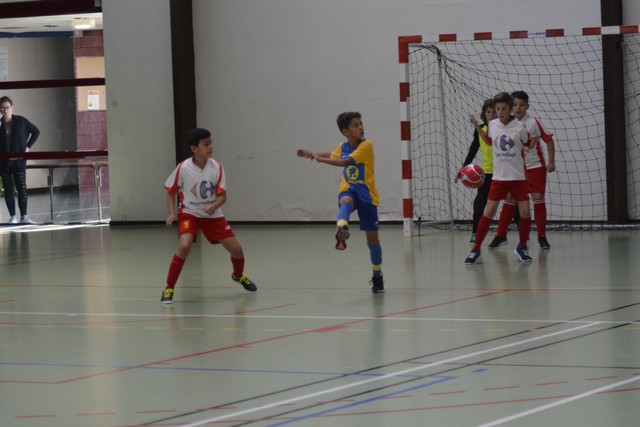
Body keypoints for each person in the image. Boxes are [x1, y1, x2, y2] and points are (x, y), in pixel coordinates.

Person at [160, 128, 257, 304]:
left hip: (213, 216)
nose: (210, 147)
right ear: (194, 149)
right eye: (206, 144)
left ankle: (238, 275)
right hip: (190, 213)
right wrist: (172, 213)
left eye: (211, 143)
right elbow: (170, 192)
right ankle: (168, 288)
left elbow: (223, 196)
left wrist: (215, 205)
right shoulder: (183, 168)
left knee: (237, 250)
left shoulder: (217, 167)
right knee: (184, 246)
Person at [296, 112, 384, 293]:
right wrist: (311, 154)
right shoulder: (343, 146)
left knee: (373, 242)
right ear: (346, 132)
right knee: (345, 200)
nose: (361, 127)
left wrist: (319, 159)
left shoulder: (366, 145)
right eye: (355, 125)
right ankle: (342, 226)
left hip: (367, 196)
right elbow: (332, 154)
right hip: (349, 188)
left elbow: (344, 162)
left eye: (361, 124)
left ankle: (377, 275)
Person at [465, 92, 537, 264]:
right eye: (497, 109)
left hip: (518, 177)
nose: (500, 112)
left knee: (525, 212)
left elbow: (530, 144)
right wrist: (476, 125)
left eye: (504, 109)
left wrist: (534, 138)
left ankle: (522, 247)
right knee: (489, 211)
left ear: (510, 109)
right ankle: (476, 249)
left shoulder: (519, 126)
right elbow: (488, 141)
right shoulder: (493, 125)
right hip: (499, 178)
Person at [487, 91, 555, 250]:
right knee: (509, 199)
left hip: (535, 167)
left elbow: (549, 140)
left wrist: (551, 162)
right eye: (515, 105)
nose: (518, 108)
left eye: (522, 105)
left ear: (527, 106)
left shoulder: (533, 122)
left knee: (538, 198)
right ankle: (500, 235)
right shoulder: (505, 122)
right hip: (517, 169)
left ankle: (542, 236)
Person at [456, 98, 496, 247]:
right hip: (487, 173)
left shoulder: (502, 129)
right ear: (484, 114)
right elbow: (473, 149)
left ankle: (522, 235)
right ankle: (475, 232)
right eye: (488, 112)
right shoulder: (480, 129)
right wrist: (463, 167)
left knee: (512, 202)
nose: (491, 115)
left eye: (494, 112)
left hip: (503, 172)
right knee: (480, 202)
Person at [0, 96, 40, 224]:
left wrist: (27, 147)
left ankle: (24, 216)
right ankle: (13, 217)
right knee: (8, 189)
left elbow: (36, 131)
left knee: (21, 188)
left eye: (7, 107)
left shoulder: (21, 121)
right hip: (4, 162)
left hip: (18, 161)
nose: (5, 110)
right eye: (2, 108)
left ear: (12, 107)